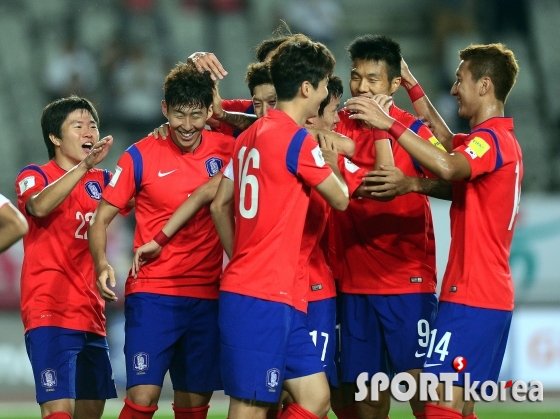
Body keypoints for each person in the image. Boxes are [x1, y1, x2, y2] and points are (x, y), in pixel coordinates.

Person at [347, 42, 521, 419]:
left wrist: (388, 122)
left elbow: (446, 165)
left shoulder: (490, 141)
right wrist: (412, 84)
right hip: (483, 293)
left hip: (474, 294)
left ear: (485, 85)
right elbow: (443, 142)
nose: (454, 89)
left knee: (438, 400)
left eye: (460, 81)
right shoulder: (494, 140)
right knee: (456, 405)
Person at [210, 34, 349, 419]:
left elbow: (220, 203)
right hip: (262, 295)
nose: (325, 93)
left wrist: (241, 255)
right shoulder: (298, 140)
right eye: (323, 85)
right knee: (251, 406)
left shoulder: (250, 135)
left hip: (274, 291)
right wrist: (332, 160)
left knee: (316, 397)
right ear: (307, 88)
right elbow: (340, 198)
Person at [88, 63, 233, 419]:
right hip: (153, 292)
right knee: (142, 397)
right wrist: (102, 263)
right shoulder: (140, 154)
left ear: (208, 112)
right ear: (164, 109)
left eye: (196, 115)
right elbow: (100, 219)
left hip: (207, 295)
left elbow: (270, 127)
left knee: (194, 406)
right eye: (179, 115)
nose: (186, 125)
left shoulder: (230, 149)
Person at [330, 34, 447, 419]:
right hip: (354, 285)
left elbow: (455, 182)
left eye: (373, 79)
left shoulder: (412, 131)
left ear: (395, 84)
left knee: (422, 394)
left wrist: (413, 183)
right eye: (355, 76)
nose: (361, 87)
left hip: (406, 282)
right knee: (368, 399)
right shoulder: (338, 125)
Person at [15, 96, 116, 419]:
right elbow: (39, 207)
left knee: (91, 414)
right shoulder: (35, 175)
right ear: (55, 138)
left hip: (92, 316)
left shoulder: (103, 182)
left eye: (93, 125)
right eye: (78, 126)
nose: (89, 132)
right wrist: (84, 167)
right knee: (58, 413)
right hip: (50, 311)